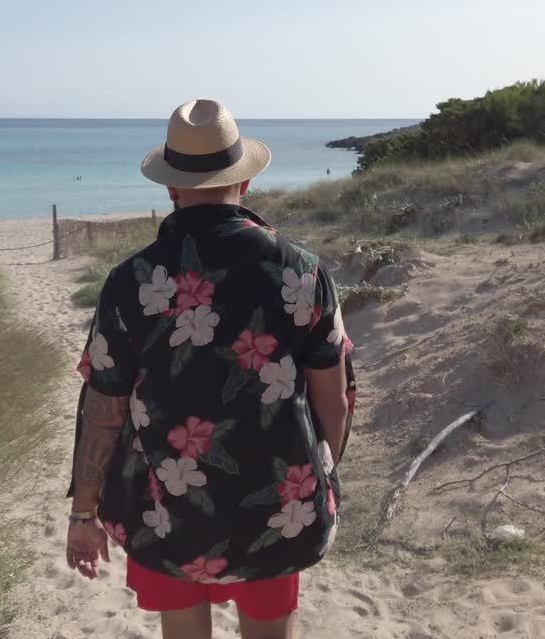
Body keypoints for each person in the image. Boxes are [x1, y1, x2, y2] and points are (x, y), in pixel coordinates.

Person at [65, 99, 355, 639]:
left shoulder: (131, 281)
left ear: (170, 188)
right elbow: (332, 400)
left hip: (165, 510)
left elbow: (104, 409)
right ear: (243, 184)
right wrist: (318, 478)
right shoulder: (303, 273)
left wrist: (83, 515)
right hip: (277, 503)